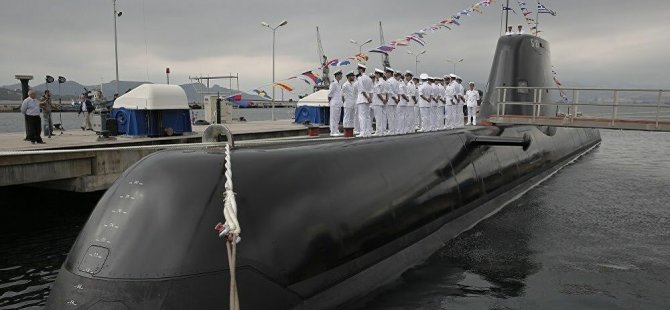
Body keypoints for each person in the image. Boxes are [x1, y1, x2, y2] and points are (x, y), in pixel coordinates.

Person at [355, 64, 374, 137]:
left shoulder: (360, 78)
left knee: (362, 116)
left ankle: (363, 132)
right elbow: (371, 90)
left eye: (358, 69)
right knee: (367, 116)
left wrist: (367, 97)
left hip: (362, 99)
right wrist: (370, 98)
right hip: (368, 99)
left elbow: (362, 90)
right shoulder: (369, 78)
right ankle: (368, 131)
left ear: (361, 69)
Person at [328, 70, 344, 136]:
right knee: (333, 117)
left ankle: (336, 130)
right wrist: (330, 102)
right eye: (340, 75)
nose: (341, 76)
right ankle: (332, 131)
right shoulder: (333, 83)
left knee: (337, 118)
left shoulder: (339, 84)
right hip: (334, 103)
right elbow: (330, 94)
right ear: (337, 75)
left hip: (338, 103)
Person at [371, 69, 387, 136]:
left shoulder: (378, 82)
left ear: (378, 74)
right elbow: (387, 92)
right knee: (383, 116)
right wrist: (385, 100)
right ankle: (383, 130)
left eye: (375, 74)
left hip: (378, 101)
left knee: (378, 117)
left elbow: (378, 93)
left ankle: (379, 131)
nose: (375, 76)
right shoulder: (384, 82)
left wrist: (382, 99)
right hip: (384, 100)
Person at [384, 68, 399, 135]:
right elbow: (398, 92)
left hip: (391, 100)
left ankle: (391, 130)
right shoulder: (396, 81)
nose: (385, 74)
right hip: (395, 101)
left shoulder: (388, 81)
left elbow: (390, 92)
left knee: (390, 116)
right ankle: (394, 130)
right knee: (394, 116)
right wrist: (397, 99)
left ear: (389, 73)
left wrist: (395, 98)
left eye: (386, 73)